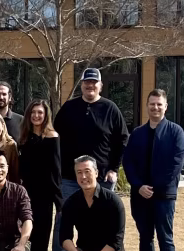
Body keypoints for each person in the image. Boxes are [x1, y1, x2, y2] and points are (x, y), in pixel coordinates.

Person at [125, 89, 184, 251]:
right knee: (144, 237)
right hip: (140, 194)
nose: (155, 107)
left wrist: (156, 188)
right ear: (147, 106)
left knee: (165, 237)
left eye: (159, 104)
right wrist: (138, 186)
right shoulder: (137, 133)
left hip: (164, 195)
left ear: (165, 106)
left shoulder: (175, 132)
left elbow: (176, 164)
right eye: (152, 104)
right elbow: (128, 162)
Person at [56, 157, 126, 251]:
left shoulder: (113, 201)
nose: (83, 177)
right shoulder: (71, 202)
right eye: (79, 172)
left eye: (87, 171)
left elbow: (116, 242)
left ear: (96, 173)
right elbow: (64, 238)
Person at [54, 68, 129, 200]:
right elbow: (55, 137)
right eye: (87, 82)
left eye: (94, 82)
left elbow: (122, 139)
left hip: (102, 178)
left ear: (100, 85)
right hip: (70, 179)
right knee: (66, 217)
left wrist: (114, 169)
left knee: (101, 219)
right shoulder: (68, 108)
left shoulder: (110, 109)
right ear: (81, 85)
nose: (90, 85)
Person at [17, 100, 62, 251]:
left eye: (40, 113)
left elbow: (56, 171)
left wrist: (59, 201)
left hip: (44, 197)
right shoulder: (24, 139)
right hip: (27, 196)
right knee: (28, 238)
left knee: (42, 240)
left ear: (46, 115)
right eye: (33, 112)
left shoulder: (52, 137)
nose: (36, 116)